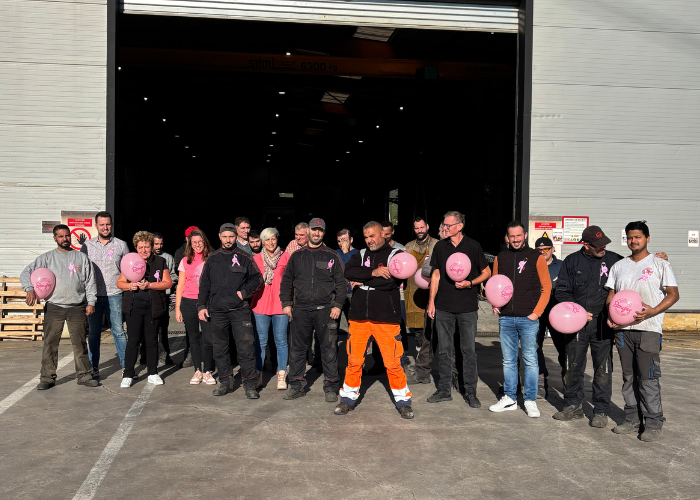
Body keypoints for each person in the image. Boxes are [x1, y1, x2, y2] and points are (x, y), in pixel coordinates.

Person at [553, 226, 669, 427]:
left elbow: (636, 267)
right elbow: (562, 292)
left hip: (604, 325)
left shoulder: (615, 259)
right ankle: (573, 406)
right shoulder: (572, 261)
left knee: (603, 370)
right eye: (597, 245)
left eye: (604, 243)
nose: (602, 248)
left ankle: (601, 411)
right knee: (573, 367)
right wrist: (577, 311)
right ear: (585, 245)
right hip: (577, 324)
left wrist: (660, 259)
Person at [605, 221, 678, 442]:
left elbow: (673, 294)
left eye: (637, 237)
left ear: (647, 238)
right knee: (628, 378)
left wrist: (653, 311)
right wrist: (610, 316)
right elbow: (612, 295)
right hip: (623, 331)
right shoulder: (619, 266)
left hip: (649, 330)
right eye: (629, 237)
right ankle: (632, 419)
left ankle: (654, 422)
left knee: (648, 378)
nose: (633, 241)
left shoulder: (659, 264)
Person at [336, 221, 413, 419]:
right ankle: (347, 400)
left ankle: (403, 402)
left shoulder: (396, 256)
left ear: (383, 235)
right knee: (354, 361)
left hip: (386, 319)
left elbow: (391, 282)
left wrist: (363, 281)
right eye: (366, 237)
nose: (369, 240)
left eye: (373, 235)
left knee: (393, 363)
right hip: (359, 318)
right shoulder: (359, 255)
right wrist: (373, 272)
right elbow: (348, 272)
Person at [21, 225, 99, 390]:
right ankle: (47, 378)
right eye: (61, 236)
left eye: (67, 235)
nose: (65, 239)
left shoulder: (81, 258)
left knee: (79, 343)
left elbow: (90, 281)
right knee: (50, 343)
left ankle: (84, 375)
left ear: (70, 237)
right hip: (54, 306)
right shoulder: (47, 258)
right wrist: (29, 289)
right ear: (55, 238)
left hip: (77, 307)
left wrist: (91, 302)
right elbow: (26, 272)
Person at [426, 211, 491, 408]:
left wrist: (470, 283)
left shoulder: (473, 246)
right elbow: (435, 275)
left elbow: (486, 272)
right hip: (444, 307)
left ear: (460, 226)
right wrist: (431, 302)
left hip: (467, 308)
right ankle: (444, 389)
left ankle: (470, 391)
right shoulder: (440, 246)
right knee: (444, 351)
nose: (445, 228)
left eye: (449, 225)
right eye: (444, 225)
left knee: (468, 351)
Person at [279, 218, 346, 402]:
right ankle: (297, 385)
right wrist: (286, 303)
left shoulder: (332, 255)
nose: (317, 233)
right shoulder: (297, 256)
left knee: (329, 349)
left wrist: (338, 305)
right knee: (298, 349)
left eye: (320, 231)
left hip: (326, 310)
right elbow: (286, 281)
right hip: (301, 309)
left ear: (324, 233)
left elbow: (341, 283)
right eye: (314, 230)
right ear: (308, 231)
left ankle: (331, 386)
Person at [490, 220, 551, 418]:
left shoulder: (536, 257)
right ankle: (509, 398)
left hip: (528, 318)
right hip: (506, 318)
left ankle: (530, 399)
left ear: (525, 235)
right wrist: (494, 303)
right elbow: (495, 284)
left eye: (518, 236)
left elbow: (547, 287)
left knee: (530, 360)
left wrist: (537, 312)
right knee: (508, 361)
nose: (515, 240)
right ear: (507, 237)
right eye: (512, 236)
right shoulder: (501, 257)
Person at [198, 223, 263, 397]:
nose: (228, 240)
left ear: (236, 237)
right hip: (217, 310)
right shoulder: (212, 259)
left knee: (245, 348)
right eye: (225, 236)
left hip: (239, 310)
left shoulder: (244, 257)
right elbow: (204, 284)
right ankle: (226, 382)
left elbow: (257, 279)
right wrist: (201, 306)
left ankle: (250, 385)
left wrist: (243, 293)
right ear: (219, 236)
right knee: (220, 348)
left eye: (231, 236)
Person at [117, 231, 171, 388]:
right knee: (133, 341)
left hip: (153, 307)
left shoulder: (160, 262)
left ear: (152, 247)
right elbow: (119, 283)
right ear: (136, 247)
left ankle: (153, 373)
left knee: (152, 341)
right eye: (140, 247)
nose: (144, 250)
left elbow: (167, 283)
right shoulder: (130, 261)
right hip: (134, 307)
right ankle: (128, 374)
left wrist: (150, 285)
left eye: (147, 247)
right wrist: (129, 286)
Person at [80, 211, 129, 377]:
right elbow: (82, 271)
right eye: (102, 224)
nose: (105, 227)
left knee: (118, 331)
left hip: (115, 294)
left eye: (108, 224)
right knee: (94, 333)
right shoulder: (86, 246)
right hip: (93, 297)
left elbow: (128, 270)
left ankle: (126, 367)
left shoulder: (121, 245)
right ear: (96, 226)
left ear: (112, 225)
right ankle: (94, 368)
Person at [175, 229, 215, 386]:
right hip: (188, 302)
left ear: (204, 242)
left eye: (200, 241)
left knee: (208, 338)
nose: (197, 245)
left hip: (206, 303)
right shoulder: (185, 261)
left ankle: (208, 371)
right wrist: (178, 308)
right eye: (194, 242)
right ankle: (198, 370)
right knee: (193, 337)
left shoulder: (212, 258)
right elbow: (180, 285)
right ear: (189, 244)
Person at [251, 227, 290, 390]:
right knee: (260, 342)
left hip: (280, 305)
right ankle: (258, 374)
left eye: (273, 238)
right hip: (260, 304)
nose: (271, 242)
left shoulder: (286, 257)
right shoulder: (256, 259)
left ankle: (282, 374)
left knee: (281, 341)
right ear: (262, 242)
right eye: (267, 239)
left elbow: (291, 281)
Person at [404, 217, 438, 384]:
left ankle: (429, 362)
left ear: (427, 227)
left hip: (432, 292)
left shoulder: (436, 245)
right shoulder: (408, 246)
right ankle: (420, 363)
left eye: (422, 227)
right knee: (417, 330)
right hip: (412, 291)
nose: (419, 230)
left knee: (432, 329)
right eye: (416, 228)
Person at [141, 232, 177, 366]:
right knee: (144, 328)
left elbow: (173, 276)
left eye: (161, 243)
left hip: (162, 297)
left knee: (162, 328)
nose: (159, 246)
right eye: (156, 243)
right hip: (146, 297)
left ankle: (164, 355)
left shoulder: (167, 258)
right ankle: (144, 355)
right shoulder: (143, 258)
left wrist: (164, 284)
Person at [534, 236, 563, 398]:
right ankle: (540, 382)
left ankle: (568, 379)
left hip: (557, 314)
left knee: (563, 349)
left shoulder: (562, 266)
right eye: (540, 250)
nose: (543, 252)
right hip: (537, 313)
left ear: (552, 249)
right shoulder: (533, 265)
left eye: (546, 249)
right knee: (535, 348)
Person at [174, 225, 198, 368]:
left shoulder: (208, 251)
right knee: (191, 331)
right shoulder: (180, 253)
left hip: (205, 298)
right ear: (186, 238)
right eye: (191, 238)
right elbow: (181, 278)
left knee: (209, 333)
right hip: (189, 296)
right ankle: (189, 354)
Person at [336, 229, 358, 325]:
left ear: (351, 240)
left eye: (344, 240)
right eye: (339, 241)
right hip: (337, 294)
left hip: (352, 294)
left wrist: (346, 253)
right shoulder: (334, 253)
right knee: (333, 325)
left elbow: (353, 270)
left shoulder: (358, 254)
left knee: (353, 324)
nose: (341, 244)